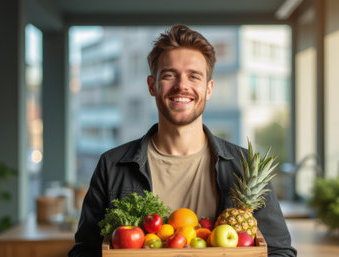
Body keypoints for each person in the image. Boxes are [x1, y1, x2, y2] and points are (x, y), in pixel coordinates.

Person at [68, 24, 297, 257]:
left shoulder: (245, 166)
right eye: (169, 75)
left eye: (194, 76)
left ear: (209, 89)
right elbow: (84, 251)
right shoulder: (112, 165)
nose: (182, 85)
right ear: (152, 85)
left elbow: (280, 252)